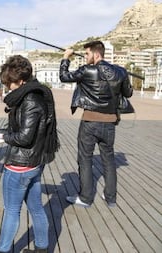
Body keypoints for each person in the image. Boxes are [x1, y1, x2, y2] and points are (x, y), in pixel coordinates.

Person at [0, 55, 59, 253]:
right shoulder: (36, 94)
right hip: (34, 163)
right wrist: (0, 132)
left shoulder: (30, 100)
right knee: (35, 207)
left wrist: (3, 137)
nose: (8, 87)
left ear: (20, 81)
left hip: (21, 164)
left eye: (9, 83)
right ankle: (42, 248)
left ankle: (3, 249)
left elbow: (25, 137)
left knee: (12, 210)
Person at [59, 40, 133, 208]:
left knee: (85, 159)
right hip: (109, 123)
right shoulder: (120, 72)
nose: (85, 57)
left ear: (96, 53)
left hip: (90, 122)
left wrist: (65, 57)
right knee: (109, 160)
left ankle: (85, 198)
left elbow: (64, 77)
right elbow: (128, 93)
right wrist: (123, 76)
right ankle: (111, 198)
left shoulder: (87, 70)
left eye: (87, 54)